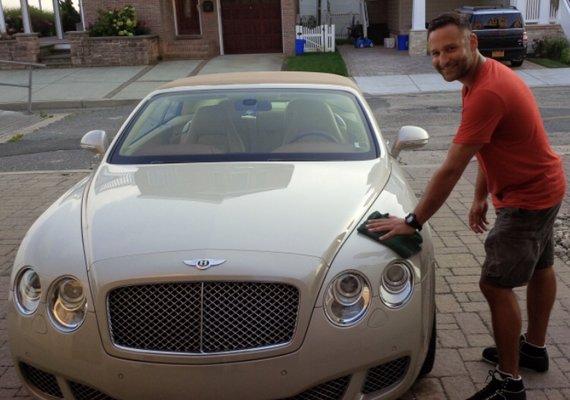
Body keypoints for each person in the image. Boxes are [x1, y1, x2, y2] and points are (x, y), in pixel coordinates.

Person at [365, 12, 565, 400]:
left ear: (472, 43)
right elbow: (490, 146)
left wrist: (413, 220)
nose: (442, 59)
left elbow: (451, 166)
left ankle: (509, 383)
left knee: (494, 284)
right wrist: (479, 196)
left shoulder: (487, 91)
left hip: (527, 199)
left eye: (451, 48)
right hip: (545, 187)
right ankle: (534, 350)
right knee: (543, 266)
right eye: (435, 53)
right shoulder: (478, 79)